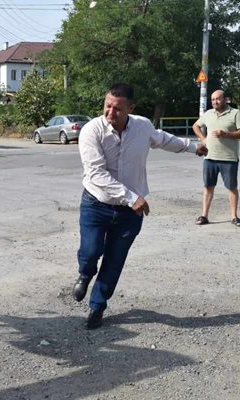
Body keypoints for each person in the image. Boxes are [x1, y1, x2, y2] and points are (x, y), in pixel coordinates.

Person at [73, 83, 208, 330]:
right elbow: (96, 174)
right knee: (91, 251)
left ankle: (97, 306)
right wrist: (130, 196)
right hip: (97, 203)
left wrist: (192, 146)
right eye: (107, 106)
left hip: (129, 213)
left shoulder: (142, 126)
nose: (110, 113)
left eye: (118, 109)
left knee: (115, 260)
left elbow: (163, 139)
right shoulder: (91, 131)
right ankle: (85, 272)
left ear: (131, 108)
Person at [192, 89, 240, 227]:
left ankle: (234, 217)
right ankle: (204, 216)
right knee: (208, 187)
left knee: (232, 187)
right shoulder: (208, 114)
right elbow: (195, 126)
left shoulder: (235, 113)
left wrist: (226, 134)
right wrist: (203, 139)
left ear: (226, 99)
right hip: (209, 158)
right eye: (213, 99)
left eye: (218, 99)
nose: (215, 102)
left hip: (229, 158)